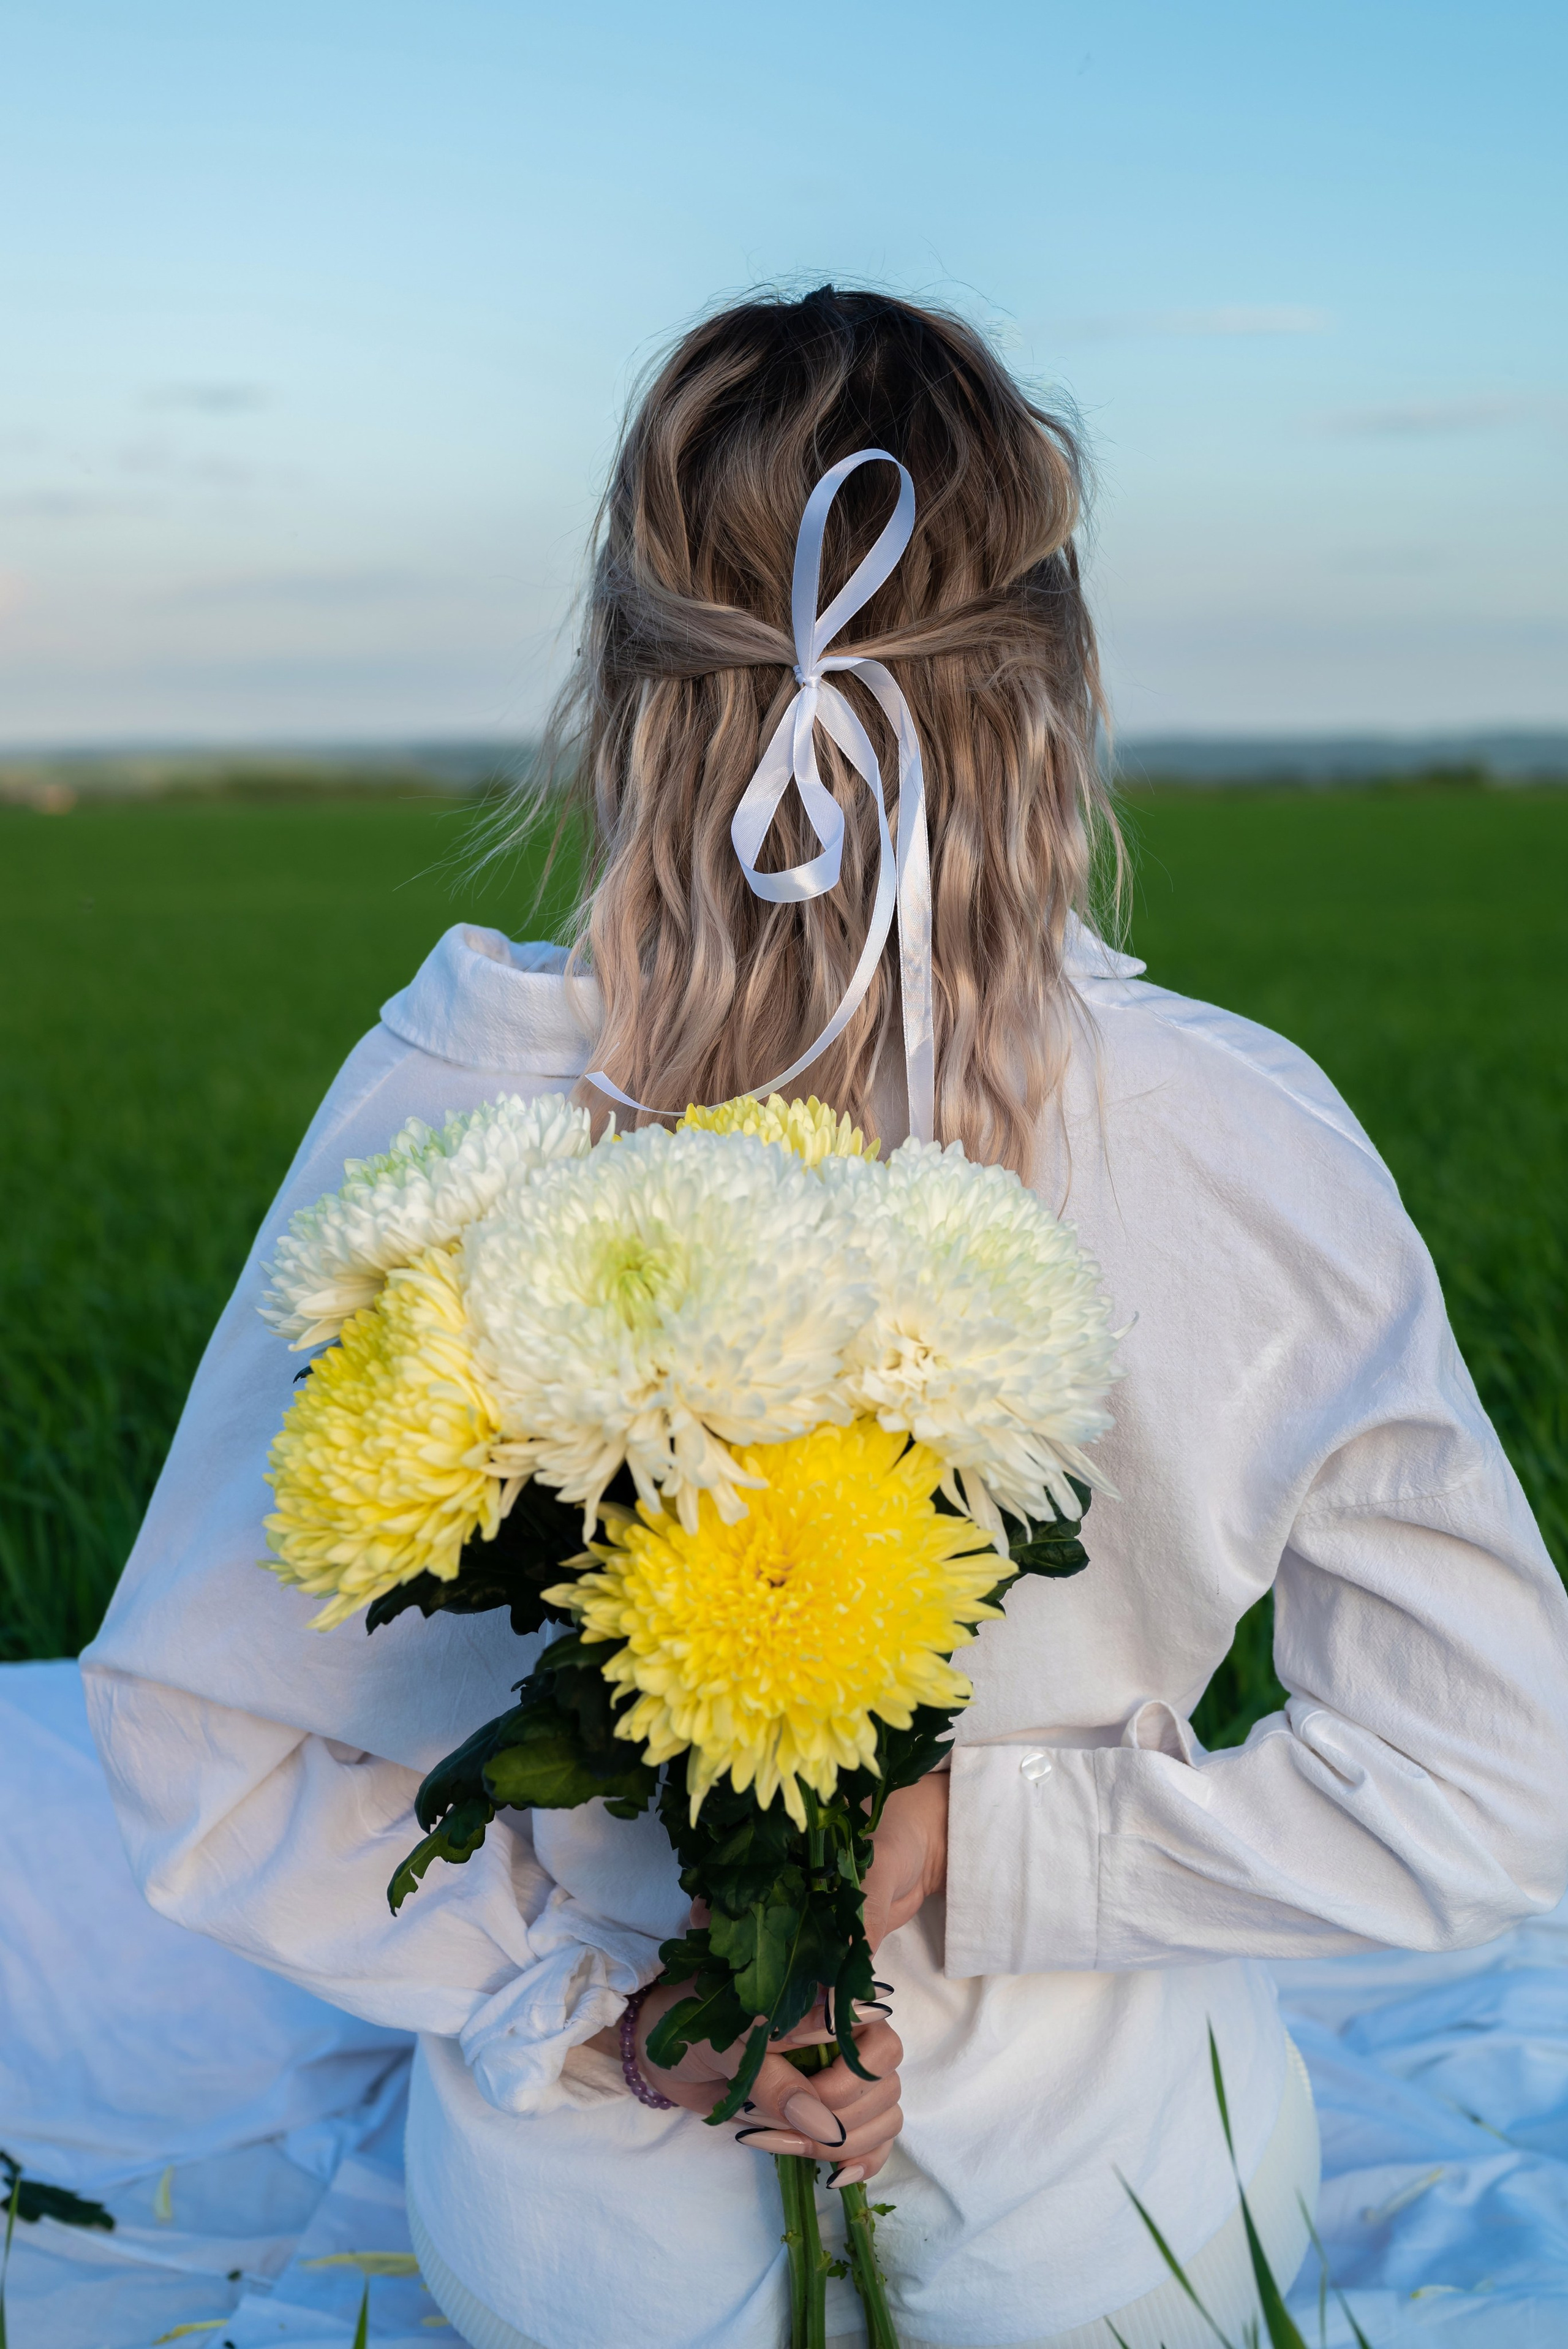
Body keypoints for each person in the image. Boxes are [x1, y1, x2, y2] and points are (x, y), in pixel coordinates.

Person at [83, 287, 1568, 2349]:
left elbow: (184, 1727)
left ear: (618, 680)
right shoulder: (1239, 1136)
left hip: (582, 2245)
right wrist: (1005, 1850)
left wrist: (604, 2001)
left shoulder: (460, 1106)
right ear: (1053, 676)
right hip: (1111, 2229)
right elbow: (1506, 1774)